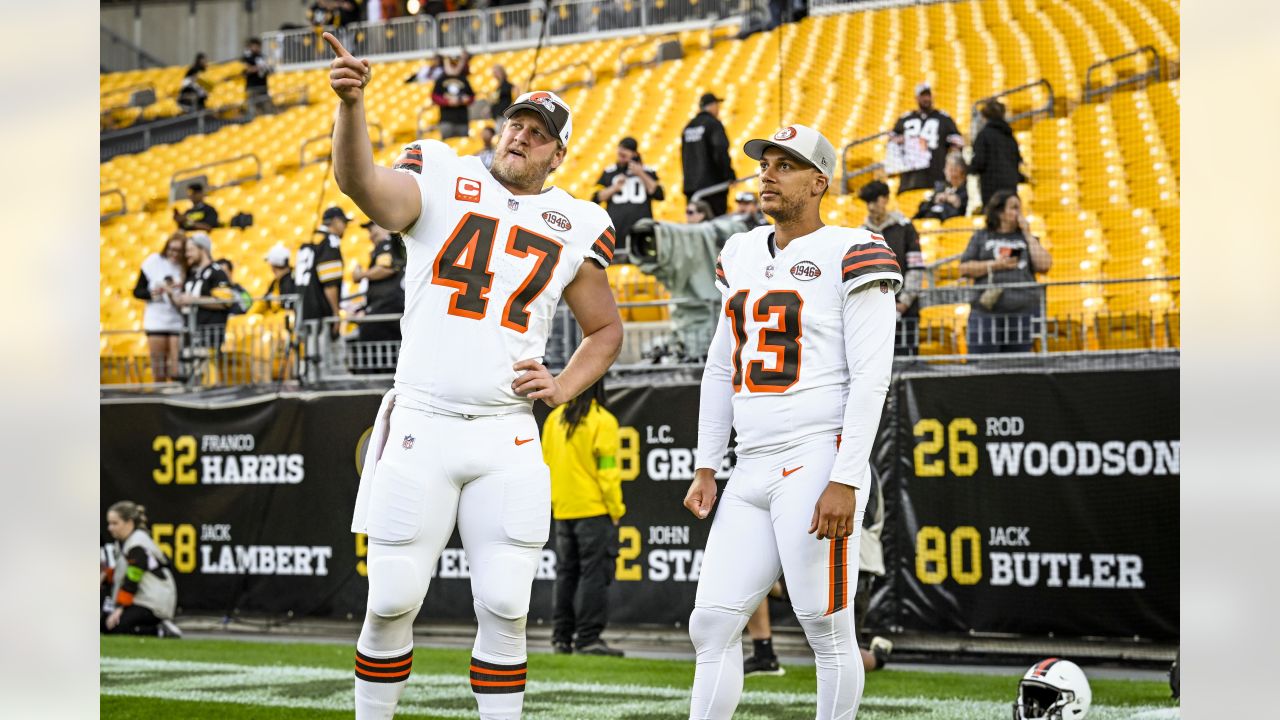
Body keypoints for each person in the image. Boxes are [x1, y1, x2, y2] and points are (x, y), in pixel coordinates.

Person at [323, 33, 624, 720]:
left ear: (558, 153)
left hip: (505, 434)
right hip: (423, 421)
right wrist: (351, 106)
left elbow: (605, 330)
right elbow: (361, 185)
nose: (521, 135)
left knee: (506, 605)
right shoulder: (440, 172)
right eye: (516, 122)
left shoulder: (576, 220)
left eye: (538, 132)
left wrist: (564, 386)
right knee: (393, 597)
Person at [682, 124, 901, 720]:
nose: (768, 173)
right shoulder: (741, 251)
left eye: (787, 164)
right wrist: (706, 464)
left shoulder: (855, 249)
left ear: (820, 181)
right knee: (711, 625)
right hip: (750, 464)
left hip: (815, 454)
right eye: (765, 162)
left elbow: (871, 378)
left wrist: (846, 476)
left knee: (826, 627)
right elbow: (720, 367)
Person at [541, 380, 626, 657]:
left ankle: (561, 638)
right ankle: (588, 638)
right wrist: (616, 509)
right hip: (595, 509)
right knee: (594, 574)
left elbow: (545, 463)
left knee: (566, 574)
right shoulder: (603, 421)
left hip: (563, 509)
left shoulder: (554, 419)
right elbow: (608, 472)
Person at [958, 190, 1052, 353]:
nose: (1019, 213)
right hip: (987, 312)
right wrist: (996, 265)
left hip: (1022, 311)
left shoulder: (1027, 239)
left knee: (1017, 366)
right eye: (1014, 208)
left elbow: (1044, 265)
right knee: (983, 363)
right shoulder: (981, 236)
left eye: (1020, 208)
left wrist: (1028, 235)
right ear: (1000, 212)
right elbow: (964, 268)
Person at [859, 180, 926, 353]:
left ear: (886, 199)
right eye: (868, 202)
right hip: (872, 313)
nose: (872, 207)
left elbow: (916, 267)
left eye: (875, 200)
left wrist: (904, 303)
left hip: (906, 311)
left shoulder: (905, 228)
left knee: (908, 361)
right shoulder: (860, 233)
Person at [102, 501, 181, 637]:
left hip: (153, 602)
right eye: (109, 523)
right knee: (103, 624)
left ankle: (160, 630)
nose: (110, 528)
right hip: (141, 599)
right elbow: (124, 572)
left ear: (129, 523)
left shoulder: (137, 544)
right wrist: (106, 575)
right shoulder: (125, 542)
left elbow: (132, 579)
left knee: (116, 626)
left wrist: (121, 608)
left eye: (115, 523)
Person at [132, 232, 188, 382]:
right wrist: (152, 293)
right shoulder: (153, 262)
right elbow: (137, 291)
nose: (174, 254)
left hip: (178, 320)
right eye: (171, 249)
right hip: (156, 320)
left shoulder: (186, 267)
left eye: (178, 250)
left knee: (177, 370)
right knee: (159, 368)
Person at [890, 83, 964, 193]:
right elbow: (891, 143)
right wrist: (900, 141)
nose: (926, 99)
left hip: (937, 176)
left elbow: (958, 142)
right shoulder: (905, 119)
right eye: (923, 96)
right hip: (910, 179)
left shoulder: (943, 118)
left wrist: (953, 149)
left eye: (928, 95)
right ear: (916, 98)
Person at [593, 137, 665, 247]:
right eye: (621, 148)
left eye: (626, 149)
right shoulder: (609, 172)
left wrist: (640, 173)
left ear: (635, 154)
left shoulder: (648, 171)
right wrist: (614, 188)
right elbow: (595, 198)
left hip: (641, 229)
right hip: (616, 229)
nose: (622, 151)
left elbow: (659, 194)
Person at [351, 221, 406, 359]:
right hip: (387, 305)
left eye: (373, 229)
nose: (371, 234)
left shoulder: (387, 244)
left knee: (369, 335)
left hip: (389, 305)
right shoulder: (387, 245)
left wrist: (361, 274)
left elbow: (386, 268)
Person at [173, 231, 234, 350]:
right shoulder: (191, 274)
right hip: (189, 336)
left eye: (191, 250)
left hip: (208, 338)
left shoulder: (217, 272)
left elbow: (225, 302)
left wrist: (194, 300)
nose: (187, 254)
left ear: (203, 249)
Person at [682, 92, 734, 217]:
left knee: (696, 229)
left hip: (692, 189)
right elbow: (720, 150)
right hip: (713, 188)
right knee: (716, 228)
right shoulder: (713, 124)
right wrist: (729, 175)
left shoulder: (688, 127)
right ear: (713, 105)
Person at [296, 206, 347, 332]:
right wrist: (335, 314)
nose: (346, 226)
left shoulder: (310, 240)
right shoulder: (330, 242)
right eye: (344, 222)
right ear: (335, 221)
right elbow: (329, 283)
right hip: (321, 315)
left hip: (303, 312)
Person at [968, 100, 1026, 208]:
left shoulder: (983, 135)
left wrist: (968, 168)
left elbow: (978, 162)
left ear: (985, 117)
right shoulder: (1010, 137)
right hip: (1010, 188)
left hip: (991, 190)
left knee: (994, 220)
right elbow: (1017, 161)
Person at [915, 155, 969, 221]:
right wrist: (935, 199)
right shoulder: (940, 187)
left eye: (948, 168)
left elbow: (959, 213)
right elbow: (922, 209)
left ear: (958, 171)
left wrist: (955, 202)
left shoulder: (966, 191)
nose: (945, 171)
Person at [433, 58, 475, 139]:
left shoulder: (464, 79)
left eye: (453, 65)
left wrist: (463, 100)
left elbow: (472, 97)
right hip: (446, 119)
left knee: (463, 145)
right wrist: (447, 102)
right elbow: (434, 96)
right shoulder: (441, 79)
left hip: (462, 120)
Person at [242, 37, 274, 111]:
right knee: (254, 110)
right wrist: (258, 67)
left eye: (258, 46)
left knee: (267, 109)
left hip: (263, 87)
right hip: (252, 87)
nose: (256, 48)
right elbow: (246, 70)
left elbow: (270, 70)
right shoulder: (247, 58)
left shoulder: (263, 57)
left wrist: (267, 68)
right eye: (254, 46)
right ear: (250, 47)